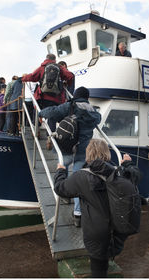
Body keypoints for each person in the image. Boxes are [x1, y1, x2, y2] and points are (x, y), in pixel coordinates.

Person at [53, 139, 140, 278]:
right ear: (107, 153)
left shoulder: (81, 176)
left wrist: (60, 172)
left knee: (98, 270)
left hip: (97, 234)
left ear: (88, 154)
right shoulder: (119, 172)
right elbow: (135, 178)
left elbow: (60, 189)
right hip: (119, 229)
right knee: (107, 255)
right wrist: (128, 164)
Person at [38, 87, 101, 226]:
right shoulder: (92, 110)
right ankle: (78, 214)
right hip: (83, 149)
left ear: (76, 95)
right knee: (79, 178)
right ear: (87, 97)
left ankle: (65, 193)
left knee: (64, 165)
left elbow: (52, 112)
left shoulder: (70, 105)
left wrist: (40, 113)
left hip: (67, 144)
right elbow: (98, 120)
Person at [22, 54, 74, 148]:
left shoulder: (42, 67)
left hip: (41, 96)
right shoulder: (59, 68)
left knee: (37, 111)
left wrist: (23, 78)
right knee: (52, 117)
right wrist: (66, 83)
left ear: (46, 58)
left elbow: (33, 77)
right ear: (55, 60)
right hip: (56, 98)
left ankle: (36, 131)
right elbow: (70, 76)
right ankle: (50, 138)